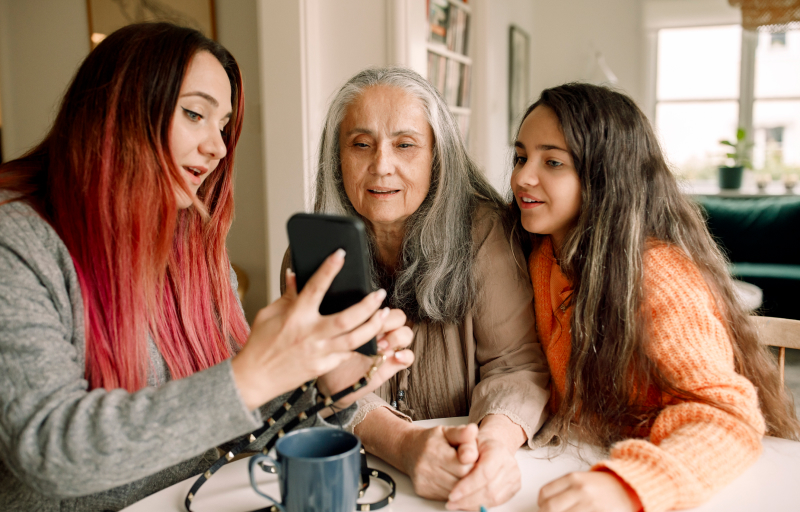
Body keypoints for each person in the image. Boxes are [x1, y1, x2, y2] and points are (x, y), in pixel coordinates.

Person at [0, 23, 413, 512]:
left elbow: (232, 430)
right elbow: (50, 450)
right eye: (196, 113)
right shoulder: (18, 244)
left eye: (223, 125)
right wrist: (252, 375)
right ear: (117, 113)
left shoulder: (196, 251)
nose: (218, 147)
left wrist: (326, 386)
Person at [508, 82, 800, 512]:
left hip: (669, 483)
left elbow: (730, 416)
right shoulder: (541, 253)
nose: (522, 177)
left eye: (552, 161)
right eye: (520, 157)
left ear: (605, 175)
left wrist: (628, 486)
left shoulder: (657, 273)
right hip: (575, 455)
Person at [301, 66, 549, 510]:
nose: (381, 165)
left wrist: (490, 446)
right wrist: (403, 444)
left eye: (405, 145)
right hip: (364, 481)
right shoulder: (315, 254)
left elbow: (516, 366)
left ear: (438, 155)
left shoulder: (486, 232)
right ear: (337, 158)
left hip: (464, 477)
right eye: (361, 145)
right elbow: (315, 383)